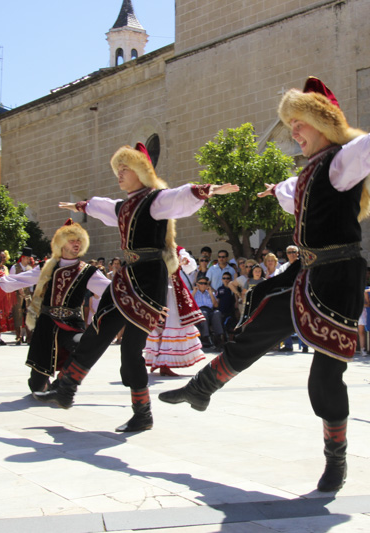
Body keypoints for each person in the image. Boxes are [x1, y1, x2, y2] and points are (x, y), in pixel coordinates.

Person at [159, 76, 370, 492]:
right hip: (306, 272)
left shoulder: (341, 161)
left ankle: (336, 460)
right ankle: (201, 388)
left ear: (322, 123)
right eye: (290, 124)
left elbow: (365, 150)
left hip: (337, 277)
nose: (293, 132)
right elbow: (294, 189)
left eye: (299, 124)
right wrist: (275, 189)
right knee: (256, 328)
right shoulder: (310, 172)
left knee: (323, 379)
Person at [34, 141, 238, 434]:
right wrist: (81, 206)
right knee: (98, 330)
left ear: (140, 171)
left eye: (124, 168)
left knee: (131, 348)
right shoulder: (124, 205)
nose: (119, 174)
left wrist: (208, 189)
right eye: (117, 169)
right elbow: (103, 206)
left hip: (147, 279)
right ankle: (66, 388)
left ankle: (142, 413)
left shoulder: (155, 200)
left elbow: (181, 196)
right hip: (126, 276)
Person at [0, 220, 110, 393]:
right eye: (72, 239)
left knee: (82, 346)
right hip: (47, 324)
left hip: (72, 324)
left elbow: (113, 290)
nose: (76, 243)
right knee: (37, 385)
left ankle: (63, 382)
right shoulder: (47, 266)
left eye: (79, 240)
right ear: (62, 242)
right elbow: (19, 280)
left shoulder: (88, 271)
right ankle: (41, 382)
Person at [144, 246, 206, 377]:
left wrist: (184, 260)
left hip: (174, 293)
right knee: (159, 324)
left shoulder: (177, 249)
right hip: (158, 290)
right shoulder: (153, 250)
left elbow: (191, 266)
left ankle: (163, 364)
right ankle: (161, 362)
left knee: (172, 323)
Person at [9, 247, 34, 345]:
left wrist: (31, 293)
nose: (29, 260)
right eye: (28, 258)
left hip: (27, 295)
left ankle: (29, 337)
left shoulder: (30, 269)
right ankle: (18, 337)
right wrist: (18, 287)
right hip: (17, 294)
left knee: (28, 315)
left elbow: (31, 283)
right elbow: (11, 280)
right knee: (17, 314)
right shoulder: (14, 268)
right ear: (23, 257)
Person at [193, 275, 223, 349]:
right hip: (199, 311)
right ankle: (205, 337)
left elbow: (215, 305)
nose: (203, 285)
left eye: (205, 283)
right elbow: (189, 303)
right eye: (201, 283)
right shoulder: (193, 292)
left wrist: (210, 293)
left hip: (210, 310)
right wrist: (194, 292)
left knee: (217, 313)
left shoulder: (210, 293)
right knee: (204, 313)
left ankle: (218, 336)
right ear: (197, 284)